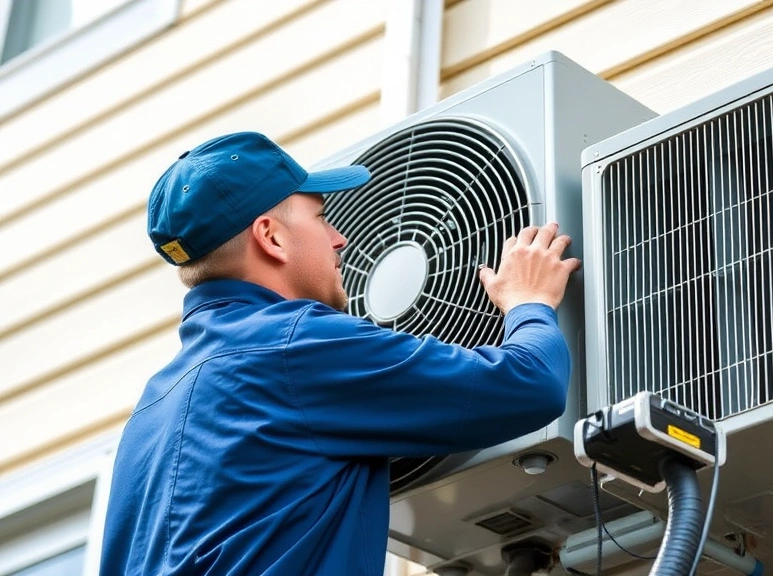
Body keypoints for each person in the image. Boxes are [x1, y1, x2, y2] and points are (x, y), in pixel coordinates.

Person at [99, 131, 581, 575]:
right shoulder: (296, 346)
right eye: (322, 217)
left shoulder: (148, 416)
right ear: (271, 236)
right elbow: (529, 385)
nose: (340, 238)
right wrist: (528, 301)